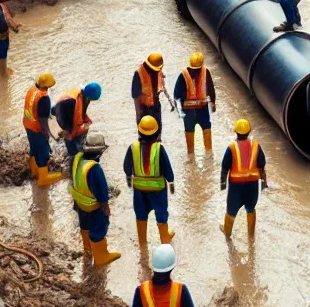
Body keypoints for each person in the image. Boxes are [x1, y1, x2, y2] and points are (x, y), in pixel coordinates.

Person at [69, 132, 121, 267]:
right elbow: (102, 191)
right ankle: (101, 257)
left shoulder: (77, 160)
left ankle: (88, 251)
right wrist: (106, 207)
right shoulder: (95, 168)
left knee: (85, 226)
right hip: (93, 205)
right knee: (99, 228)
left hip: (80, 203)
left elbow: (73, 179)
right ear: (100, 151)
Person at [124, 115, 176, 245]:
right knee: (161, 213)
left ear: (139, 131)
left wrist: (129, 178)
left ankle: (142, 242)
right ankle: (164, 238)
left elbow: (126, 166)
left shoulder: (133, 148)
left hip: (139, 190)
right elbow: (167, 167)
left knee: (141, 215)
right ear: (157, 132)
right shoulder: (159, 148)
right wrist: (171, 182)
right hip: (158, 190)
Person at [220, 118, 267, 240]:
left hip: (236, 187)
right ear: (249, 132)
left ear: (236, 132)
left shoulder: (231, 148)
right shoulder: (256, 146)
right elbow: (262, 165)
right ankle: (251, 236)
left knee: (231, 210)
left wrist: (222, 182)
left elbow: (225, 167)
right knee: (251, 208)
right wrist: (264, 181)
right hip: (252, 186)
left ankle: (227, 233)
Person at [22, 72, 62, 186]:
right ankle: (43, 178)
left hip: (28, 124)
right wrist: (47, 133)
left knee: (34, 148)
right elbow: (43, 119)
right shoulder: (44, 98)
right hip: (37, 128)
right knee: (43, 152)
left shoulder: (32, 90)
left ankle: (34, 172)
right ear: (48, 86)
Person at [173, 52, 216, 157]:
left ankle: (209, 158)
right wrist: (179, 110)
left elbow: (210, 88)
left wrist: (213, 102)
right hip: (189, 112)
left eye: (196, 69)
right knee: (189, 137)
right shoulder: (183, 75)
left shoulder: (206, 72)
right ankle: (191, 159)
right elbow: (176, 95)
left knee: (207, 133)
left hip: (202, 110)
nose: (194, 72)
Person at [53, 82, 102, 158]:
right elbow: (63, 115)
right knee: (70, 139)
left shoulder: (84, 94)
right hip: (62, 115)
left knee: (81, 132)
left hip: (68, 113)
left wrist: (86, 121)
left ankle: (78, 148)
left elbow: (81, 110)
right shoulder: (71, 101)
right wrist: (67, 131)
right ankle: (72, 158)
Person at [132, 53, 168, 130]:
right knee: (145, 135)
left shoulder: (158, 70)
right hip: (144, 109)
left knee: (157, 132)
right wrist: (139, 116)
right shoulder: (138, 74)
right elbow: (136, 97)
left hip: (156, 106)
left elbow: (162, 86)